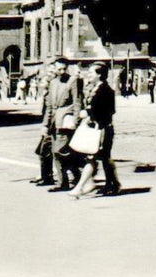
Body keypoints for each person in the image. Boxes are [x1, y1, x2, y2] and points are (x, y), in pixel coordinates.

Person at [69, 62, 121, 198]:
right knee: (105, 158)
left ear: (99, 75)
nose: (88, 75)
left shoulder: (106, 90)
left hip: (103, 130)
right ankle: (114, 184)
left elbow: (109, 111)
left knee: (91, 158)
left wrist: (89, 114)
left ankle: (79, 187)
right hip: (98, 128)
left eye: (91, 72)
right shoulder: (95, 88)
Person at [41, 57, 82, 192]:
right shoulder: (53, 83)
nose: (62, 71)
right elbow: (49, 106)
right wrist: (45, 124)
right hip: (54, 122)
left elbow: (77, 102)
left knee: (59, 151)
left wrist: (75, 121)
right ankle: (65, 181)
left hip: (66, 121)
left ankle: (77, 175)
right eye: (59, 69)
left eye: (64, 69)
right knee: (55, 152)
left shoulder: (72, 81)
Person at [31, 66, 56, 187]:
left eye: (51, 72)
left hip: (53, 126)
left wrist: (46, 125)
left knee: (44, 151)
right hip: (49, 125)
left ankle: (46, 177)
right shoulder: (48, 92)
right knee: (43, 151)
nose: (47, 75)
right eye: (47, 72)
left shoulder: (54, 90)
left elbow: (50, 111)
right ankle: (45, 175)